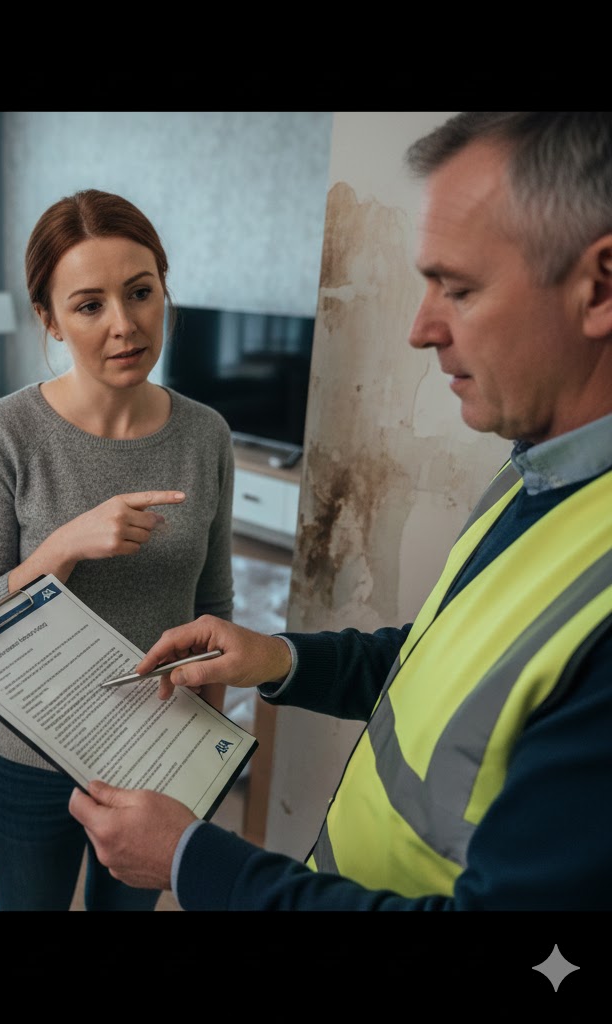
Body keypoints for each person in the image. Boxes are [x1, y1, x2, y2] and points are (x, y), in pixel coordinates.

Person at [68, 111, 612, 911]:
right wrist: (280, 660)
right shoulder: (536, 475)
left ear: (599, 287)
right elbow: (435, 667)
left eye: (458, 288)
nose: (421, 329)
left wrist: (192, 860)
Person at [0, 188, 235, 911]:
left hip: (152, 760)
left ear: (164, 290)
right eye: (89, 305)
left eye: (141, 292)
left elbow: (214, 607)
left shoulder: (206, 437)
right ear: (48, 318)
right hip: (25, 765)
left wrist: (204, 757)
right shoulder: (3, 436)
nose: (125, 325)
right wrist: (65, 545)